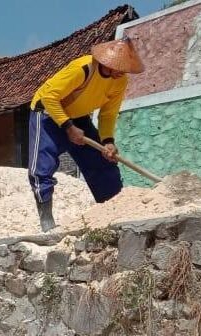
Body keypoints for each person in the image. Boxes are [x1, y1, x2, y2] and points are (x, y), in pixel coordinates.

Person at [28, 37, 145, 231]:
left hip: (79, 117)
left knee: (103, 161)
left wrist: (108, 141)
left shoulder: (119, 82)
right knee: (42, 166)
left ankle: (112, 211)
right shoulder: (82, 69)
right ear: (109, 63)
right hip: (47, 113)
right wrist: (68, 127)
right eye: (121, 68)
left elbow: (108, 114)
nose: (123, 72)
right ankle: (46, 218)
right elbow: (50, 98)